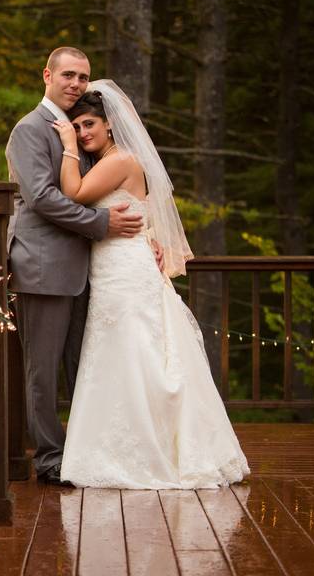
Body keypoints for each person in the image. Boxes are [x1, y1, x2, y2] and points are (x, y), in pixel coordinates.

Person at [53, 81, 249, 489]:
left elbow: (73, 193)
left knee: (136, 353)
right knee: (120, 355)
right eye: (78, 126)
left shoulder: (120, 160)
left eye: (89, 124)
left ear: (110, 125)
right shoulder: (110, 160)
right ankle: (120, 447)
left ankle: (151, 451)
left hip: (126, 272)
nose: (84, 132)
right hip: (113, 268)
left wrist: (68, 144)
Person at [4, 47, 155, 486]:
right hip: (43, 266)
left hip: (92, 271)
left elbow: (114, 187)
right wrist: (103, 223)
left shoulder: (83, 131)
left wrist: (148, 241)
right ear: (47, 74)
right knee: (43, 371)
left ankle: (87, 452)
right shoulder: (30, 130)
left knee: (85, 366)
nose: (75, 83)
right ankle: (50, 461)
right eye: (68, 75)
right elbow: (43, 198)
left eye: (83, 77)